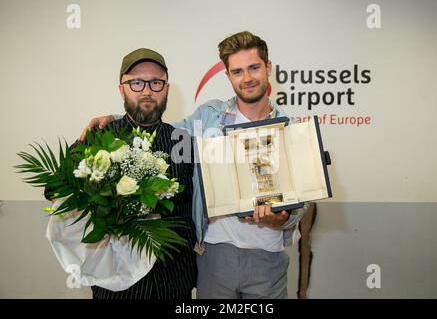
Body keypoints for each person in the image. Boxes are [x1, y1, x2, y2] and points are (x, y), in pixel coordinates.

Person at [80, 32, 308, 299]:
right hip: (214, 255)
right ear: (228, 76)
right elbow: (165, 130)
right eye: (237, 71)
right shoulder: (208, 117)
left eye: (254, 68)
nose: (246, 78)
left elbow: (300, 201)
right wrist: (116, 118)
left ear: (268, 68)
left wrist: (281, 218)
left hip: (268, 259)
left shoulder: (290, 131)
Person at [87, 48, 197, 299]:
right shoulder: (99, 137)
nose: (147, 91)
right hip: (116, 286)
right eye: (136, 82)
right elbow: (56, 190)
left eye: (156, 82)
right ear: (121, 89)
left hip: (173, 281)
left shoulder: (185, 141)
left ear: (167, 88)